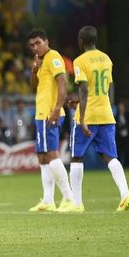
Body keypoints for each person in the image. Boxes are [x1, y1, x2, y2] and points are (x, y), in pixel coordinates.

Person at [68, 26, 129, 212]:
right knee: (110, 156)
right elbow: (107, 87)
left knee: (76, 156)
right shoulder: (107, 59)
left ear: (81, 40)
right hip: (106, 112)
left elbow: (84, 89)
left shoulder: (80, 60)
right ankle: (125, 194)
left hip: (88, 114)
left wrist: (81, 117)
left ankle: (77, 203)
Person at [27, 28, 78, 213]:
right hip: (41, 113)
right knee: (42, 157)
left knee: (51, 154)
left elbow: (63, 82)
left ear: (46, 42)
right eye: (32, 45)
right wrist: (34, 71)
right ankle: (48, 200)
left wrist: (57, 108)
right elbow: (36, 87)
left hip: (50, 113)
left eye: (38, 43)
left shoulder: (54, 56)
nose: (35, 48)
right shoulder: (40, 62)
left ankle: (70, 198)